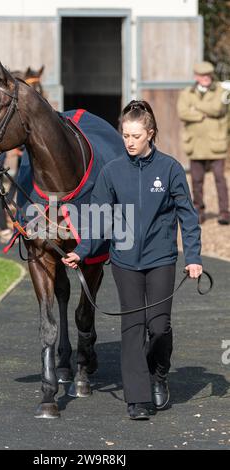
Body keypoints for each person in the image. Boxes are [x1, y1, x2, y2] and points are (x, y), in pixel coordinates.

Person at [62, 100, 203, 420]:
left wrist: (192, 256)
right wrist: (82, 251)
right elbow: (98, 220)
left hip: (161, 259)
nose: (128, 141)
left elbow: (188, 217)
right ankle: (137, 398)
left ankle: (159, 373)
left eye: (135, 136)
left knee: (159, 326)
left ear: (150, 134)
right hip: (125, 262)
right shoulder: (112, 171)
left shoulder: (169, 169)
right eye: (125, 135)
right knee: (133, 327)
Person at [177, 61, 230, 225]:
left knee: (220, 179)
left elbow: (217, 109)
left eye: (208, 75)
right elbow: (182, 112)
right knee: (196, 180)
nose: (206, 78)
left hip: (216, 143)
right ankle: (198, 211)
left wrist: (196, 107)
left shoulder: (221, 91)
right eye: (203, 75)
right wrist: (200, 114)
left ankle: (224, 212)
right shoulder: (186, 93)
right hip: (196, 144)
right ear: (196, 77)